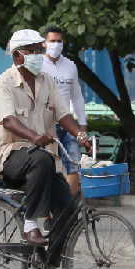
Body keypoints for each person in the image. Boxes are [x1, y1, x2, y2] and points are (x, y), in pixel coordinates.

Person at [0, 29, 91, 269]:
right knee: (41, 161)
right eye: (32, 50)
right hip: (10, 155)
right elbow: (9, 120)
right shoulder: (4, 83)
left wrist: (80, 134)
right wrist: (33, 136)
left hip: (44, 159)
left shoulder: (47, 80)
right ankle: (30, 223)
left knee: (68, 209)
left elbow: (63, 114)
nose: (38, 55)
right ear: (17, 56)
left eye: (39, 49)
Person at [42, 26, 87, 195]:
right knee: (46, 168)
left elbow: (77, 96)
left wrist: (82, 124)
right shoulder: (38, 65)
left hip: (68, 123)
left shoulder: (70, 66)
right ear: (45, 43)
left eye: (59, 41)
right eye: (52, 41)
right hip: (46, 124)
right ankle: (49, 215)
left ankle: (69, 209)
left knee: (74, 165)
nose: (56, 44)